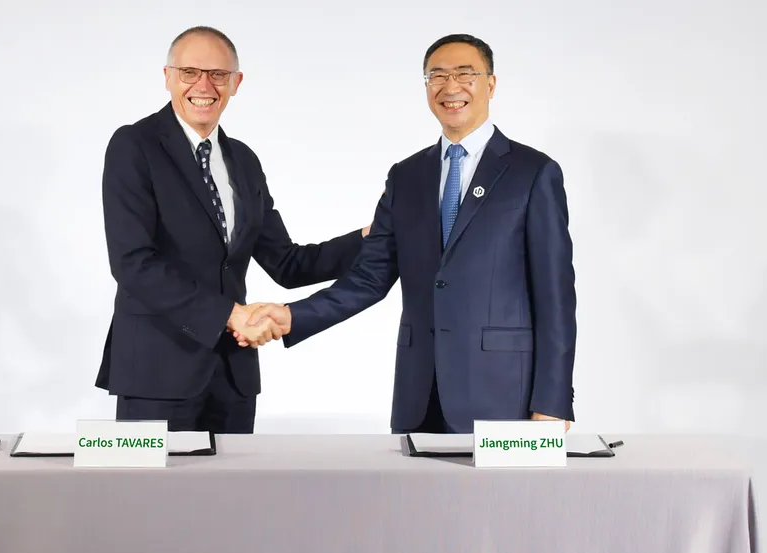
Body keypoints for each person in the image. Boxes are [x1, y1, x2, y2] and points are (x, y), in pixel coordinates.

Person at [239, 34, 576, 434]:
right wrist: (291, 316)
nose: (451, 87)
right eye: (437, 76)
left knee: (500, 500)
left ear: (491, 83)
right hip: (420, 394)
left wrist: (552, 402)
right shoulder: (406, 176)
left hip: (504, 393)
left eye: (466, 74)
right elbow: (369, 279)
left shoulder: (533, 172)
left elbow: (555, 297)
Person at [95, 25, 368, 432]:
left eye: (218, 74)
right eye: (189, 72)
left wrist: (373, 234)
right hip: (156, 372)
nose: (204, 85)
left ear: (236, 83)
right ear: (168, 77)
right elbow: (133, 263)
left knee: (233, 497)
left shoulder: (243, 160)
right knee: (152, 498)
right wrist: (230, 315)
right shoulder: (134, 146)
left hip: (232, 377)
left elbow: (288, 263)